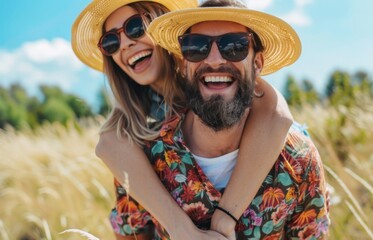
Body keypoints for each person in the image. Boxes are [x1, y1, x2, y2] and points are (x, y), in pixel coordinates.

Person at [72, 0, 296, 239]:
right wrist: (183, 230)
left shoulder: (209, 72)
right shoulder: (136, 125)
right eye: (111, 42)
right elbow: (107, 143)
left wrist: (224, 218)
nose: (125, 44)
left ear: (158, 22)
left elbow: (277, 115)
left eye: (135, 27)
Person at [143, 0, 330, 238]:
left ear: (257, 64)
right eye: (196, 47)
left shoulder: (299, 161)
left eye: (233, 46)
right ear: (184, 63)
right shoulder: (147, 153)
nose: (213, 60)